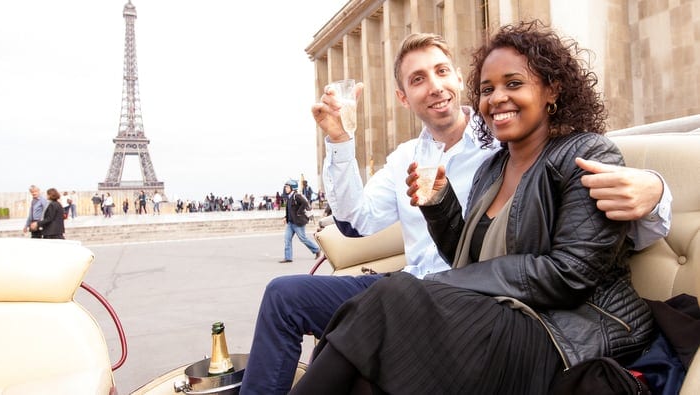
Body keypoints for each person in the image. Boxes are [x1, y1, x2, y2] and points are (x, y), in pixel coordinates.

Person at [239, 31, 672, 394]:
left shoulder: (549, 150)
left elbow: (574, 266)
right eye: (488, 89)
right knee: (320, 309)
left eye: (513, 84)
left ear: (551, 89)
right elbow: (374, 225)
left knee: (387, 301)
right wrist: (436, 205)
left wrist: (656, 188)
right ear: (403, 97)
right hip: (459, 300)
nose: (497, 98)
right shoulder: (487, 165)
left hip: (544, 323)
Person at [278, 179, 321, 263]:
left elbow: (305, 203)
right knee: (287, 239)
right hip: (290, 222)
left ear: (292, 188)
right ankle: (288, 258)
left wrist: (299, 212)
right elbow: (289, 209)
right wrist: (286, 217)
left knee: (303, 239)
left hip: (298, 222)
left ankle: (317, 250)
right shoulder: (289, 197)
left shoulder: (296, 195)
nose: (285, 188)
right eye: (285, 187)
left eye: (287, 187)